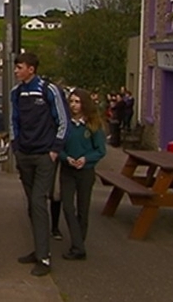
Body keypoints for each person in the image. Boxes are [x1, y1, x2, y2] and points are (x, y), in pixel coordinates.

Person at [10, 52, 69, 277]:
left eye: (20, 67)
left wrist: (55, 150)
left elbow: (62, 121)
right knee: (31, 204)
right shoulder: (16, 93)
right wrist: (16, 146)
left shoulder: (49, 90)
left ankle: (44, 257)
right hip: (24, 153)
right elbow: (13, 120)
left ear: (31, 69)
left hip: (44, 155)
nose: (16, 71)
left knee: (38, 201)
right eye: (15, 67)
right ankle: (38, 249)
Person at [60, 88, 106, 260]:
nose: (74, 105)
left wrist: (85, 159)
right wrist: (66, 158)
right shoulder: (65, 124)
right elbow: (59, 147)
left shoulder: (93, 125)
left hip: (85, 171)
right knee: (67, 206)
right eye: (71, 101)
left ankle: (78, 245)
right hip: (68, 170)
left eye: (77, 102)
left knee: (83, 209)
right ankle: (78, 245)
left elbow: (100, 150)